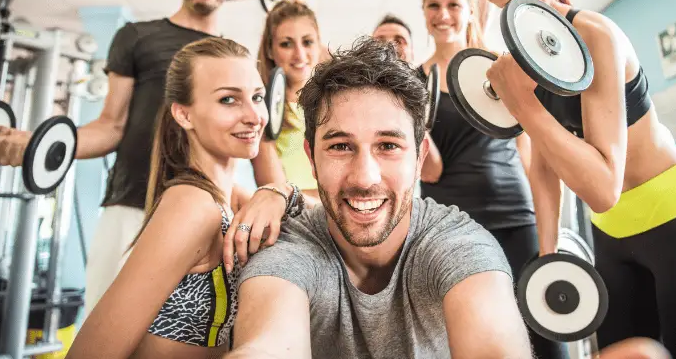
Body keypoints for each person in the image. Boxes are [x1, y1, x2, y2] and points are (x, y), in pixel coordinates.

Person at [467, 0, 676, 358]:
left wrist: (522, 105)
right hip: (609, 236)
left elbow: (603, 186)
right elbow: (543, 166)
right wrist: (548, 252)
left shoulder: (592, 33)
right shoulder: (513, 64)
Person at [0, 0, 285, 316]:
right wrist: (35, 145)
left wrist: (281, 197)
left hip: (207, 216)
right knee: (105, 325)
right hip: (132, 206)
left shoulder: (237, 60)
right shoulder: (137, 37)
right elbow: (110, 126)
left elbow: (259, 148)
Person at [225, 37, 533, 359]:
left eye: (388, 146)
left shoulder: (460, 245)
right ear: (312, 159)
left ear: (418, 159)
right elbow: (267, 343)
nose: (365, 178)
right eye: (340, 146)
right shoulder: (287, 251)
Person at [66, 37, 303, 359]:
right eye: (228, 100)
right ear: (184, 114)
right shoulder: (192, 204)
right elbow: (93, 350)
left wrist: (281, 191)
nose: (253, 116)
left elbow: (320, 214)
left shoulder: (229, 199)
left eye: (257, 97)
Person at [415, 0, 566, 359]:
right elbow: (427, 169)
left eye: (453, 5)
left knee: (545, 326)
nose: (443, 14)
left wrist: (550, 232)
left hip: (516, 216)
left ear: (470, 11)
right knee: (479, 336)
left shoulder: (500, 68)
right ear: (423, 11)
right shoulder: (413, 82)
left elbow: (530, 153)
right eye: (434, 5)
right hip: (452, 225)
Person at [252, 0, 324, 207]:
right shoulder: (262, 111)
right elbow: (276, 195)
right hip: (296, 227)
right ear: (269, 50)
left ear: (319, 44)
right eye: (286, 44)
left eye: (307, 42)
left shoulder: (337, 105)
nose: (299, 54)